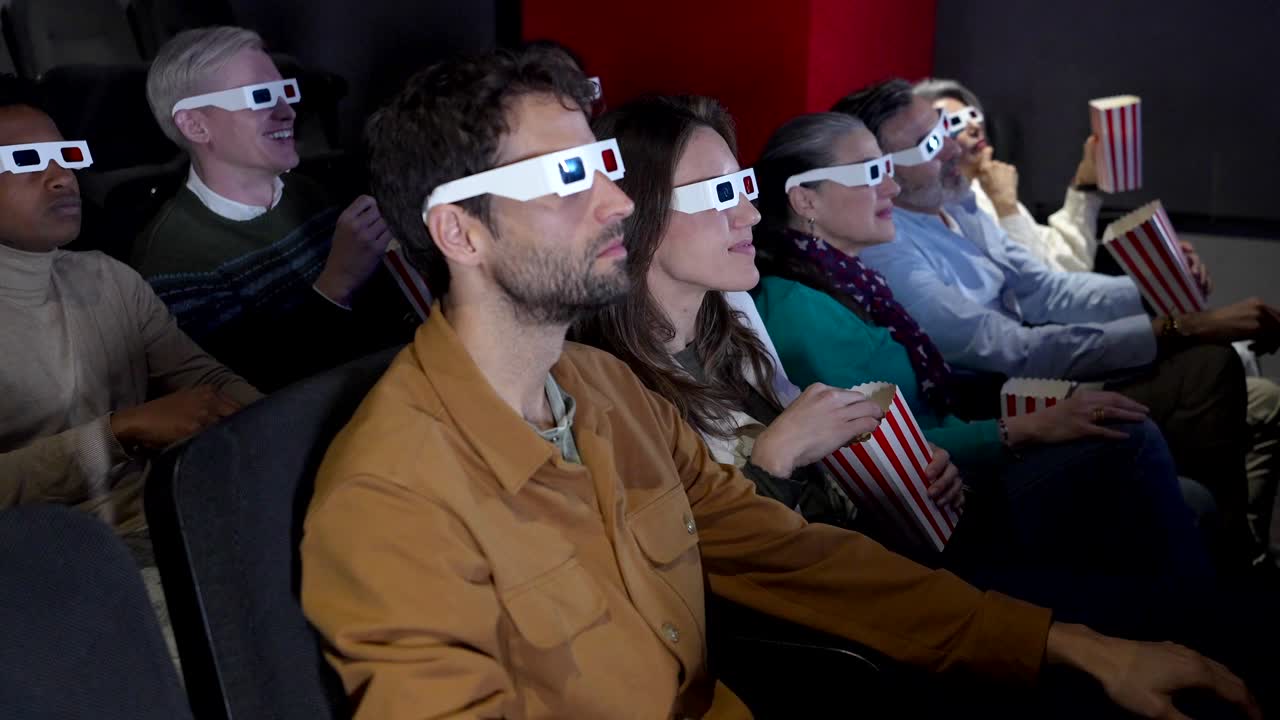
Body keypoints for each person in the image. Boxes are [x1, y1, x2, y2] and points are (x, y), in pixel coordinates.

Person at [298, 47, 1259, 720]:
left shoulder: (601, 389)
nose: (618, 201)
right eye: (567, 176)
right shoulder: (390, 503)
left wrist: (1064, 643)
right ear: (459, 234)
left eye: (605, 166)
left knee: (1159, 652)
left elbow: (798, 556)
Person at [574, 95, 1210, 601]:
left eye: (742, 186)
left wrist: (911, 471)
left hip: (889, 549)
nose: (749, 213)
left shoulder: (734, 328)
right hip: (843, 598)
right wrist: (783, 452)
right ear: (640, 215)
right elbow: (706, 563)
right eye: (719, 194)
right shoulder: (616, 386)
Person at [834, 79, 1280, 565]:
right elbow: (1009, 347)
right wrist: (1180, 327)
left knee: (1214, 370)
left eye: (945, 129)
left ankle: (1217, 551)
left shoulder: (955, 204)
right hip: (1004, 396)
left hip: (1034, 373)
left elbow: (1045, 287)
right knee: (1206, 368)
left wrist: (1156, 287)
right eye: (929, 143)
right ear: (880, 170)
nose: (952, 147)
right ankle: (1224, 560)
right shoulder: (893, 250)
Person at [0, 73, 260, 537]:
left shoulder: (109, 277)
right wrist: (118, 432)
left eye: (67, 156)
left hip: (172, 519)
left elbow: (209, 384)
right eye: (26, 160)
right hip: (45, 563)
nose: (62, 177)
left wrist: (290, 435)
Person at [134, 26, 416, 392]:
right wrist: (337, 284)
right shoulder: (171, 259)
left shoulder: (310, 194)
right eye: (261, 96)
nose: (287, 112)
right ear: (195, 125)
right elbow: (250, 395)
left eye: (286, 92)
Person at [911, 77, 1105, 273]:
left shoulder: (984, 190)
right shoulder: (938, 214)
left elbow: (1068, 265)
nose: (974, 127)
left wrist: (1085, 183)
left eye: (973, 115)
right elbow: (1035, 287)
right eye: (954, 122)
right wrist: (1006, 208)